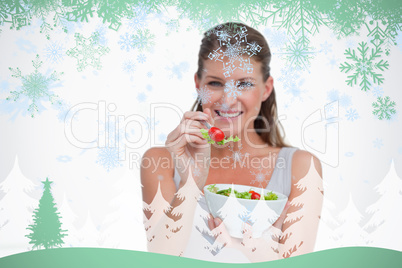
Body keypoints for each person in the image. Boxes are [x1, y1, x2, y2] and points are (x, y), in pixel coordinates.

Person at [141, 22, 323, 263]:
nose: (227, 100)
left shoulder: (301, 168)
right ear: (198, 85)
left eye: (244, 83)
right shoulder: (160, 161)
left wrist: (249, 249)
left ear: (266, 89)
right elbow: (161, 260)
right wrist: (191, 183)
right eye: (215, 83)